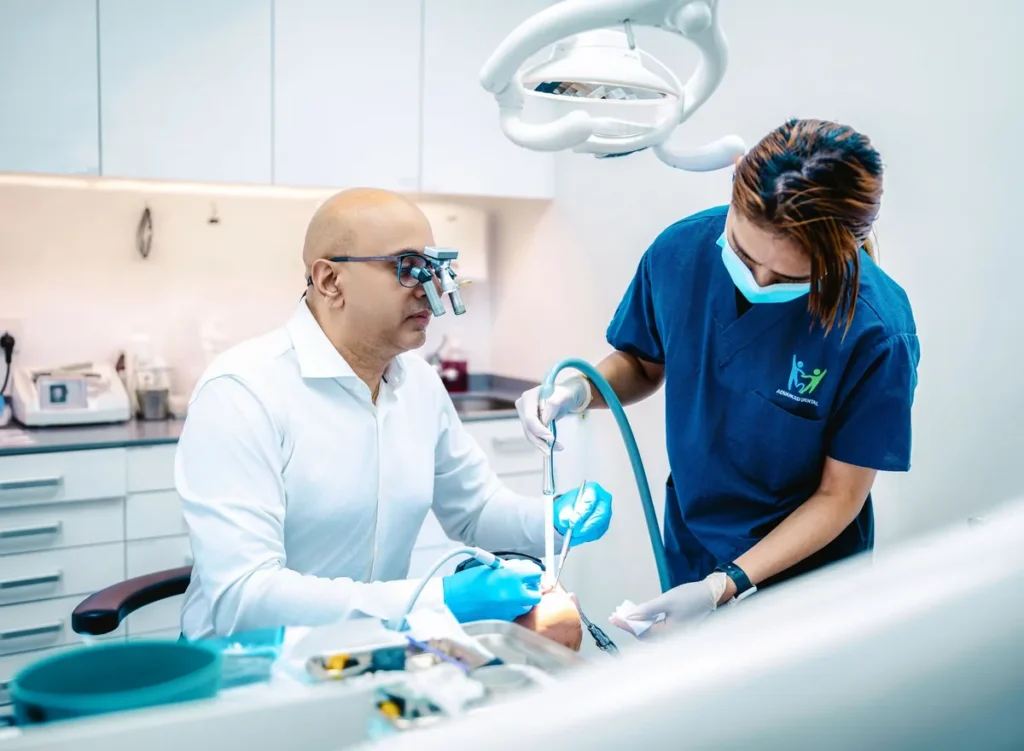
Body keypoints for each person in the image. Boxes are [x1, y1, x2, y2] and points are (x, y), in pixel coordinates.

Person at [516, 118, 921, 632]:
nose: (758, 281)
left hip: (808, 577)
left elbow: (838, 496)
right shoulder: (679, 253)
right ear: (733, 193)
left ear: (842, 253)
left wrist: (725, 584)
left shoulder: (875, 329)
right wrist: (576, 393)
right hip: (693, 541)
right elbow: (643, 363)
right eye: (745, 254)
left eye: (791, 276)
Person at [175, 187, 613, 640]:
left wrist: (553, 521)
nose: (434, 289)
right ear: (329, 281)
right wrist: (438, 600)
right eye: (409, 268)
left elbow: (475, 510)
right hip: (249, 671)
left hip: (370, 653)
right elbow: (244, 598)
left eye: (437, 268)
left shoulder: (418, 384)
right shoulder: (243, 392)